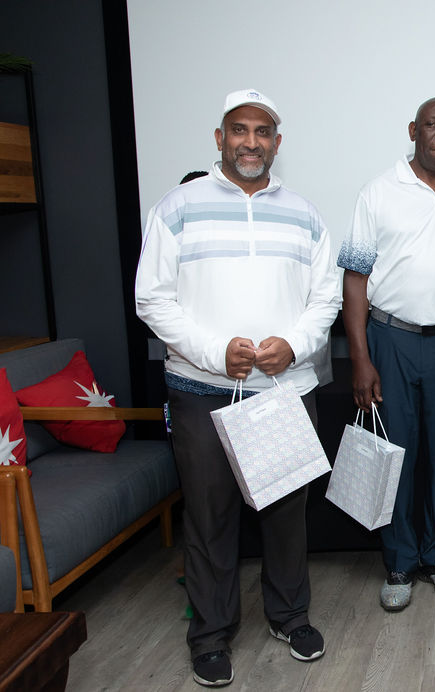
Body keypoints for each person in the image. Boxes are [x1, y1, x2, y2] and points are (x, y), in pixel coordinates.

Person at [136, 89, 340, 686]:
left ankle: (289, 616)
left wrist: (294, 345)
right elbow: (152, 298)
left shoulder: (304, 213)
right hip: (201, 388)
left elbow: (326, 297)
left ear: (277, 142)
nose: (251, 142)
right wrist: (213, 353)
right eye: (239, 130)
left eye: (262, 132)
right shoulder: (177, 206)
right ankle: (210, 635)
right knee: (209, 517)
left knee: (286, 514)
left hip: (284, 389)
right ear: (219, 138)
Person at [337, 97, 435, 612]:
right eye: (433, 125)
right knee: (397, 456)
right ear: (413, 130)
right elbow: (355, 280)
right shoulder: (378, 191)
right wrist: (360, 358)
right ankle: (400, 562)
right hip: (391, 340)